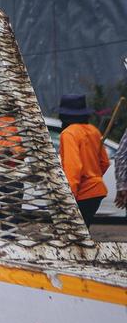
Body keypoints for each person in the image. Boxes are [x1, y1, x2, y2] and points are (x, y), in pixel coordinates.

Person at [56, 94, 110, 226]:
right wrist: (93, 177)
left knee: (72, 234)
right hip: (97, 190)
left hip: (81, 194)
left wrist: (69, 197)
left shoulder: (68, 133)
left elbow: (73, 168)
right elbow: (104, 162)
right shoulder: (94, 131)